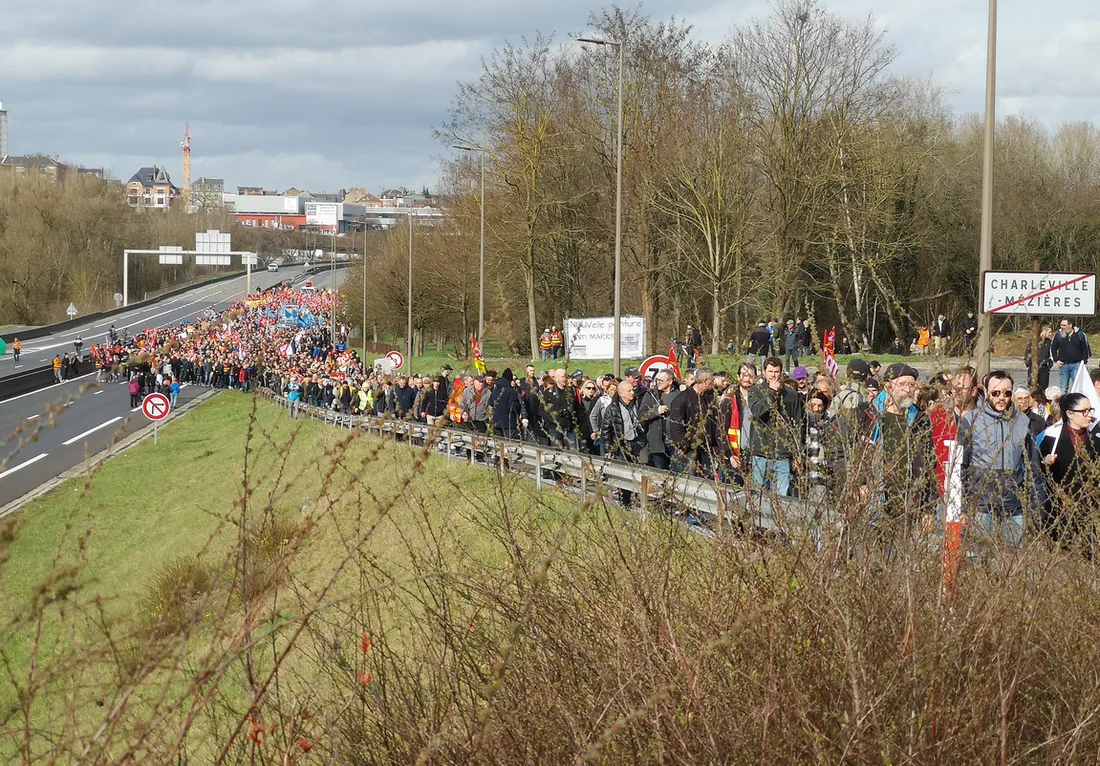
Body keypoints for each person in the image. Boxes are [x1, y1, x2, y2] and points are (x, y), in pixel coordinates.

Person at [958, 370, 1045, 556]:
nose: (1002, 398)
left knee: (1014, 558)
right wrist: (963, 506)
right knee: (977, 557)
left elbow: (1033, 466)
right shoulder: (971, 420)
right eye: (996, 393)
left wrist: (1036, 504)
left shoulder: (1022, 421)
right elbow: (961, 467)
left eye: (1007, 393)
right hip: (980, 502)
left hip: (1013, 503)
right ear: (986, 392)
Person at [1038, 392, 1100, 550]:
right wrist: (1044, 463)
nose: (1089, 415)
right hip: (1060, 509)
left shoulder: (1095, 441)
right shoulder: (1052, 438)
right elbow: (1038, 472)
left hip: (1090, 510)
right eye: (1084, 411)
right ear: (1070, 414)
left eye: (1090, 410)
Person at [747, 357, 803, 496]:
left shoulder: (791, 394)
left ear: (781, 372)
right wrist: (771, 392)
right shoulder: (755, 391)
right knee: (758, 494)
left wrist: (796, 453)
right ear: (764, 372)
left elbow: (796, 424)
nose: (773, 375)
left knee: (781, 495)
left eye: (776, 371)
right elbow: (758, 412)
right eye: (770, 371)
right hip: (761, 452)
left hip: (782, 453)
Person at [1051, 319, 1090, 392]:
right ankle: (1064, 402)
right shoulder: (1058, 335)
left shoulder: (1080, 334)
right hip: (1063, 365)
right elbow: (1053, 348)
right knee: (1063, 387)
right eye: (1061, 325)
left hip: (1077, 364)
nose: (1062, 327)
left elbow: (1085, 348)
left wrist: (1085, 362)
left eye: (1064, 325)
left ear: (1070, 325)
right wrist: (1056, 360)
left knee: (1078, 386)